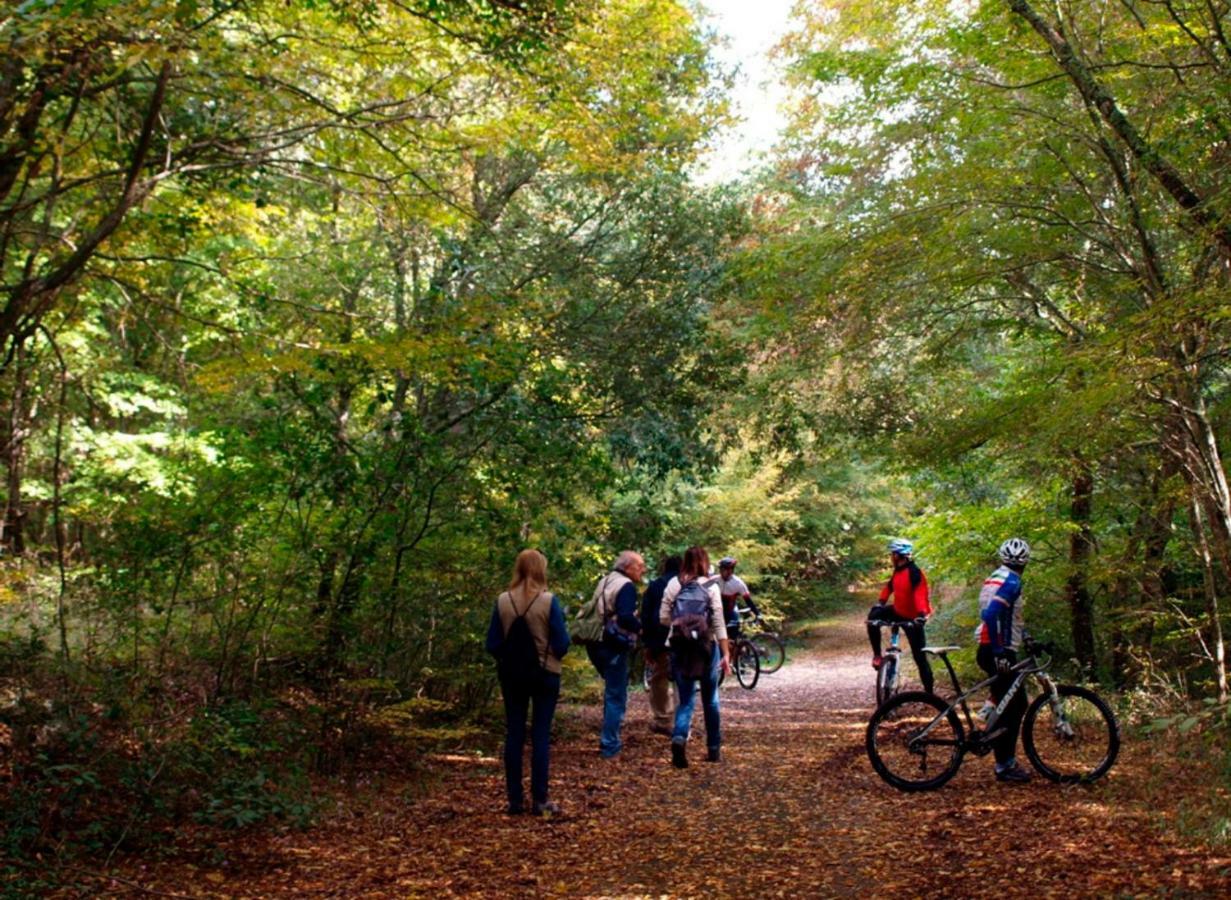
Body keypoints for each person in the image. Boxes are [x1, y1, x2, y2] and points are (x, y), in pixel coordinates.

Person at [485, 549, 570, 815]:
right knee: (541, 735)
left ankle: (514, 800)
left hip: (511, 676)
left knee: (514, 733)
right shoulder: (548, 601)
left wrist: (508, 659)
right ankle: (540, 800)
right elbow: (562, 643)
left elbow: (492, 643)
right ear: (540, 569)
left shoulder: (503, 601)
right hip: (545, 674)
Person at [659, 546, 731, 768]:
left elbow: (662, 617)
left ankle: (679, 738)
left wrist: (681, 625)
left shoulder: (674, 584)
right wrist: (726, 652)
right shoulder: (710, 585)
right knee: (710, 699)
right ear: (705, 562)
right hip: (706, 647)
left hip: (680, 647)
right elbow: (718, 621)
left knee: (686, 699)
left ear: (685, 561)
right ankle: (713, 749)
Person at [974, 537, 1033, 784]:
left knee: (1006, 701)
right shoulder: (1012, 581)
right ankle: (1004, 765)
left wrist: (1027, 637)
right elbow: (991, 614)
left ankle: (988, 723)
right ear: (1025, 562)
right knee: (1015, 706)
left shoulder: (995, 576)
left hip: (987, 647)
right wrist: (999, 651)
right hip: (997, 650)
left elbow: (1008, 614)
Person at [587, 550, 646, 758]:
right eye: (640, 566)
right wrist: (641, 628)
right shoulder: (626, 586)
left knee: (612, 691)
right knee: (615, 695)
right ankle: (610, 744)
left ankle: (609, 739)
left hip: (594, 642)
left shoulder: (606, 580)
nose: (643, 569)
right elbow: (624, 617)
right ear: (628, 567)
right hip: (612, 645)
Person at [865, 538, 934, 694]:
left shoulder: (915, 572)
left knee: (920, 658)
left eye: (892, 554)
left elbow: (920, 595)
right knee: (873, 617)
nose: (891, 557)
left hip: (913, 617)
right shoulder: (898, 570)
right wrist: (881, 603)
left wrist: (922, 615)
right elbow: (889, 587)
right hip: (898, 611)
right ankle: (877, 655)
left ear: (898, 555)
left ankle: (929, 694)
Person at [641, 554, 681, 736]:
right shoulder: (686, 584)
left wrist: (648, 644)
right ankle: (681, 719)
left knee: (659, 679)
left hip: (660, 640)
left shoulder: (655, 585)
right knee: (682, 679)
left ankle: (662, 718)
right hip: (683, 639)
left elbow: (647, 616)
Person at [717, 557, 760, 642]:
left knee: (733, 636)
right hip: (719, 611)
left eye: (723, 569)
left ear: (730, 570)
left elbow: (748, 600)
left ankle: (739, 649)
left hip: (730, 611)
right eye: (720, 569)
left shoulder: (738, 583)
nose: (721, 572)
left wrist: (757, 614)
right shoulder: (716, 579)